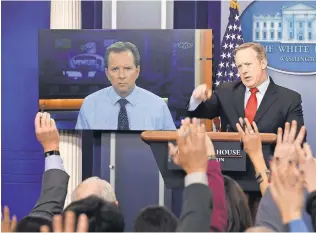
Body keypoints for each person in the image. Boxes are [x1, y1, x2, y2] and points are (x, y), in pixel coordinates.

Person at [187, 42, 304, 135]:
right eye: (240, 66)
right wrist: (196, 99)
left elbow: (296, 140)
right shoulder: (225, 91)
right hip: (232, 162)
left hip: (267, 163)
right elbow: (199, 112)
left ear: (263, 63)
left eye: (248, 64)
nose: (244, 71)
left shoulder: (289, 99)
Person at [75, 41, 176, 130]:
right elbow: (80, 147)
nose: (121, 76)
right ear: (107, 73)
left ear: (137, 71)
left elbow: (172, 148)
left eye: (127, 69)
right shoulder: (90, 105)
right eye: (115, 69)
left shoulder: (158, 106)